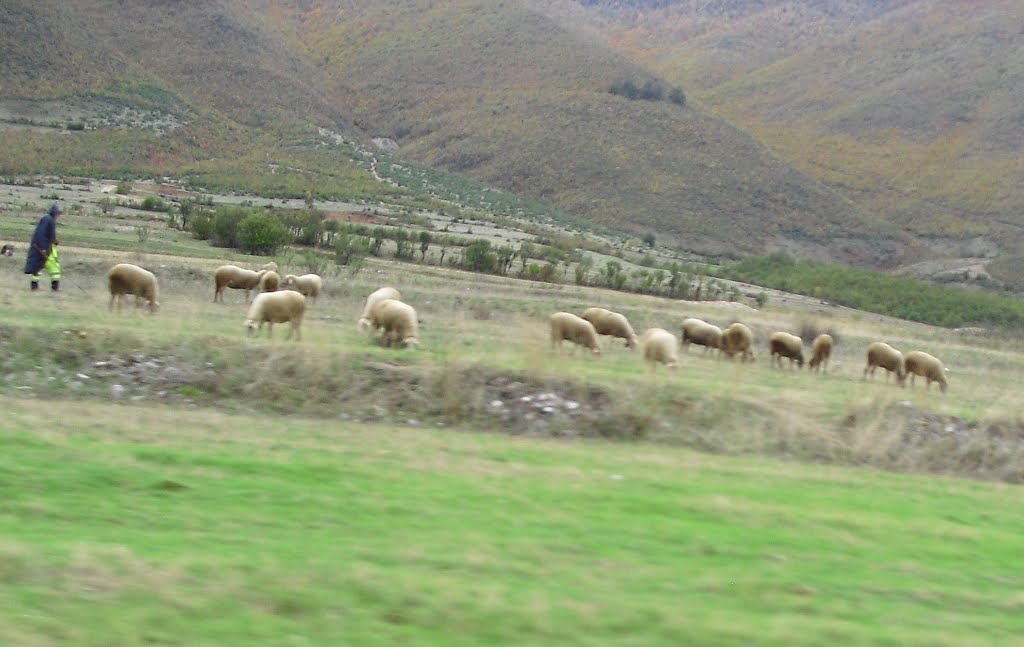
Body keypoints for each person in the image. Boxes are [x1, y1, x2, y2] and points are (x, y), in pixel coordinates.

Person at [24, 203, 62, 291]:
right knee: (40, 267)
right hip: (42, 249)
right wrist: (42, 248)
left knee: (44, 268)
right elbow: (41, 234)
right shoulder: (48, 220)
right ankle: (37, 287)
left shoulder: (49, 220)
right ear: (54, 213)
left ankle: (50, 288)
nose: (58, 216)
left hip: (46, 248)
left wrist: (54, 240)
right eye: (57, 214)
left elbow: (48, 234)